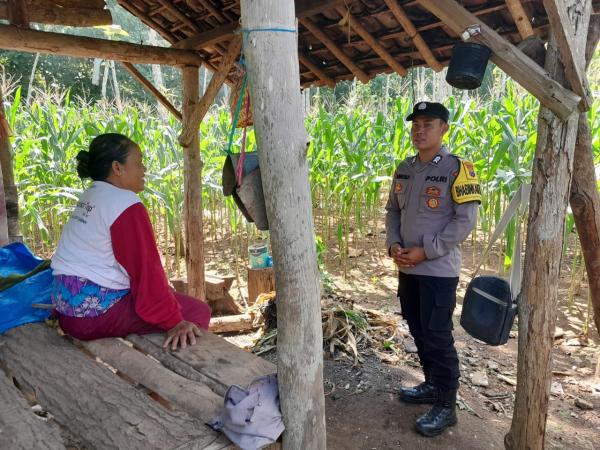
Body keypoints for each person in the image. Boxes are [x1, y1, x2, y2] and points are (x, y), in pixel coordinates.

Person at [51, 133, 211, 350]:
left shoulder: (91, 195)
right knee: (196, 312)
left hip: (67, 308)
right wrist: (174, 321)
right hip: (92, 317)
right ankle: (175, 371)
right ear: (117, 168)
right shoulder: (125, 204)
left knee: (169, 299)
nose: (144, 170)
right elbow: (145, 271)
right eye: (139, 163)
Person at [385, 102, 480, 437]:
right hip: (407, 269)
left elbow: (465, 221)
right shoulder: (404, 168)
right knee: (419, 330)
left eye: (428, 124)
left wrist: (427, 251)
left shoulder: (458, 168)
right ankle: (431, 385)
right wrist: (394, 244)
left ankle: (447, 405)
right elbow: (393, 212)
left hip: (437, 271)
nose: (419, 130)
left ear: (444, 129)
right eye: (415, 125)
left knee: (438, 336)